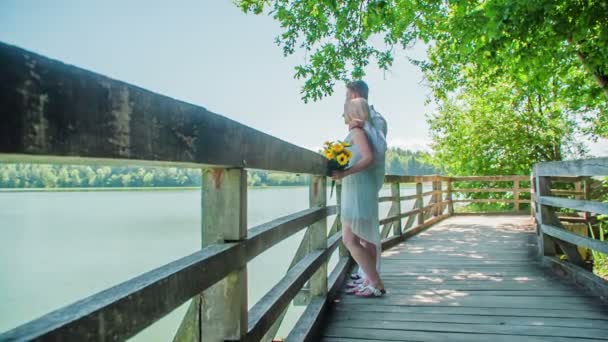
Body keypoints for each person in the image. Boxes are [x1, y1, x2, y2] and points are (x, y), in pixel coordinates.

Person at [332, 97, 387, 297]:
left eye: (345, 110)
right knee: (365, 239)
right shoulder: (362, 130)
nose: (343, 115)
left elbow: (369, 158)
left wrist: (343, 173)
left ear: (353, 112)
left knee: (349, 239)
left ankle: (376, 283)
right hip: (360, 188)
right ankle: (369, 280)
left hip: (357, 190)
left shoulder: (358, 132)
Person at [345, 81, 387, 282]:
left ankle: (373, 279)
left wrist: (364, 125)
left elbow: (377, 149)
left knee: (366, 235)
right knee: (362, 235)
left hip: (366, 181)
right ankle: (368, 277)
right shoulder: (359, 122)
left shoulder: (375, 120)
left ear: (355, 95)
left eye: (348, 95)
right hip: (359, 182)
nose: (346, 99)